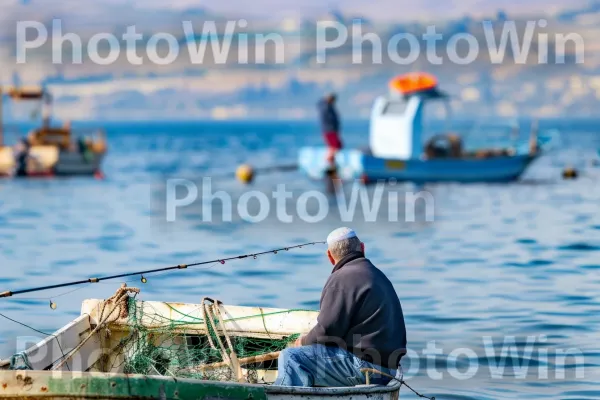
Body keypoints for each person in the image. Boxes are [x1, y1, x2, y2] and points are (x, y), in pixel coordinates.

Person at [274, 227, 407, 387]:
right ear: (362, 248)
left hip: (366, 368)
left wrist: (304, 341)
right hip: (388, 369)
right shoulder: (377, 275)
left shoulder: (340, 279)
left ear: (330, 256)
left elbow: (327, 331)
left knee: (291, 357)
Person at [318, 93, 342, 166]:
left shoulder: (329, 107)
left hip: (331, 130)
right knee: (334, 146)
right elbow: (329, 119)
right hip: (329, 130)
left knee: (337, 145)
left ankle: (331, 161)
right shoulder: (326, 107)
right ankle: (328, 161)